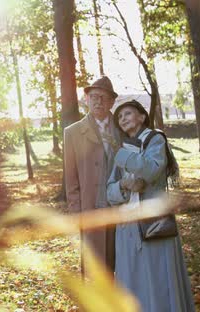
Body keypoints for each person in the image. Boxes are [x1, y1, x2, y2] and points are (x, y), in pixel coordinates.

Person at [107, 100, 195, 312]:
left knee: (158, 280)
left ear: (142, 117)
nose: (123, 119)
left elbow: (152, 169)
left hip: (153, 224)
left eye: (128, 113)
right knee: (132, 281)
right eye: (119, 117)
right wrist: (124, 185)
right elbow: (109, 192)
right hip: (127, 228)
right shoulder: (123, 149)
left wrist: (121, 155)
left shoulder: (155, 140)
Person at [64, 76, 121, 275]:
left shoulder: (123, 128)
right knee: (96, 267)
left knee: (123, 264)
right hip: (90, 208)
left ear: (112, 102)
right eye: (94, 97)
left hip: (122, 207)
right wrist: (75, 212)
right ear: (86, 99)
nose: (98, 101)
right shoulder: (72, 132)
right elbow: (70, 179)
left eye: (103, 97)